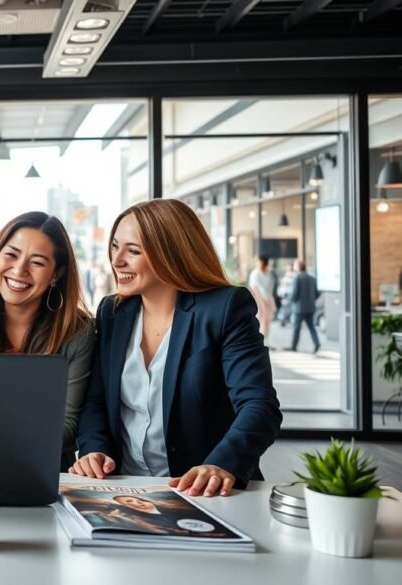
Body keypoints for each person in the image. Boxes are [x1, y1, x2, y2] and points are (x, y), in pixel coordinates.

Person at [71, 199, 282, 497]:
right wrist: (93, 448)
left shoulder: (224, 308)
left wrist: (221, 465)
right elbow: (96, 399)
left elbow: (259, 406)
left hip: (199, 491)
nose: (116, 260)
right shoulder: (112, 312)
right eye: (115, 246)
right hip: (122, 489)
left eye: (133, 251)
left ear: (170, 254)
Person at [0, 212, 94, 468]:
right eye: (11, 254)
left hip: (45, 468)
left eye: (38, 262)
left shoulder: (78, 330)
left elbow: (68, 425)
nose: (19, 270)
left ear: (56, 274)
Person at [289, 259, 321, 354]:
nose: (294, 267)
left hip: (299, 307)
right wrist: (312, 299)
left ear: (298, 267)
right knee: (311, 326)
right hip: (310, 306)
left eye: (295, 265)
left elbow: (295, 293)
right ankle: (317, 343)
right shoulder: (312, 278)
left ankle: (293, 346)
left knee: (296, 327)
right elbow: (317, 292)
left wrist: (290, 300)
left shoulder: (297, 278)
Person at [247, 256, 276, 344]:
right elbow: (254, 288)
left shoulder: (269, 274)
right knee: (259, 320)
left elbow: (270, 288)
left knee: (267, 321)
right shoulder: (255, 273)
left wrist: (269, 301)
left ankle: (266, 340)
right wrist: (262, 302)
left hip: (268, 299)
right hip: (258, 300)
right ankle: (258, 341)